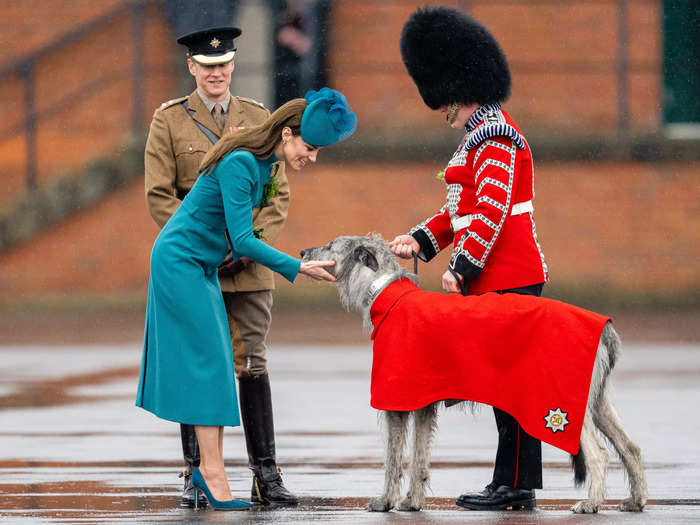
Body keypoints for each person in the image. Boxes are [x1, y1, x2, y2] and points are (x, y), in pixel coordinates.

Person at [136, 87, 357, 510]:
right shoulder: (241, 163)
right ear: (288, 134)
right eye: (309, 147)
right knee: (209, 366)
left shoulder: (263, 163)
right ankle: (211, 474)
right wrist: (297, 266)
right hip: (180, 263)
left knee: (216, 366)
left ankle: (209, 472)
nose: (311, 157)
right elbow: (241, 239)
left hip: (199, 266)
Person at [390, 7, 549, 511]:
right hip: (500, 276)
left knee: (514, 387)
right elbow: (461, 208)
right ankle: (508, 481)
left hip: (511, 275)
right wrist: (421, 238)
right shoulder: (479, 137)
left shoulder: (497, 136)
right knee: (503, 386)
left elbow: (492, 214)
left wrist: (462, 268)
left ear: (462, 90)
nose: (446, 114)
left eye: (447, 106)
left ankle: (517, 485)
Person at [143, 25, 301, 507]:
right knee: (195, 361)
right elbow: (159, 195)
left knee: (251, 360)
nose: (217, 73)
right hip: (197, 260)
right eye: (208, 66)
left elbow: (277, 196)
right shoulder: (168, 121)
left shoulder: (258, 117)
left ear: (233, 65)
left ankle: (265, 474)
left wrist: (248, 243)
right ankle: (197, 473)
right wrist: (213, 241)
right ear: (192, 67)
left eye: (225, 64)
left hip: (249, 263)